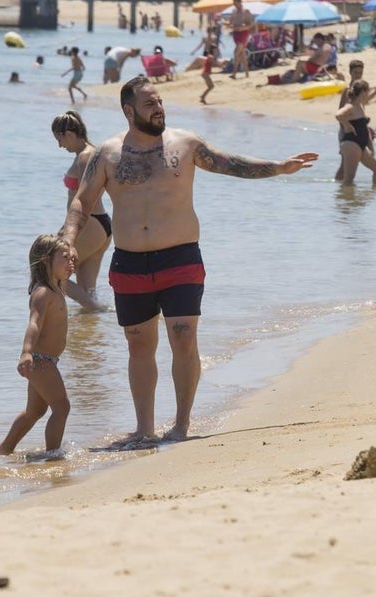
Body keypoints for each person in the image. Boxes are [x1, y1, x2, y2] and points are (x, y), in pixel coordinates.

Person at [59, 77, 319, 444]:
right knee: (139, 345)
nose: (159, 107)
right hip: (130, 263)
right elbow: (82, 202)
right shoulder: (107, 154)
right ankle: (144, 430)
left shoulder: (185, 143)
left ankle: (181, 425)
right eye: (150, 103)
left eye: (160, 101)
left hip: (180, 257)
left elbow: (232, 164)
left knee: (183, 338)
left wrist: (278, 167)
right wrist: (69, 239)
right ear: (129, 110)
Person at [0, 235, 75, 456]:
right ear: (46, 260)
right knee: (62, 407)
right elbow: (34, 324)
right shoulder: (43, 293)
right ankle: (53, 454)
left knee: (35, 411)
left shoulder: (57, 287)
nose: (71, 262)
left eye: (71, 258)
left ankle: (4, 450)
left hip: (47, 360)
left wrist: (68, 250)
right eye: (65, 258)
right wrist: (26, 353)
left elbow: (70, 254)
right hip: (40, 360)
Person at [51, 111, 112, 310]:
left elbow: (86, 197)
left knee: (52, 273)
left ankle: (102, 310)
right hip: (98, 224)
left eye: (59, 139)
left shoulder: (85, 157)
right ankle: (92, 333)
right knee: (87, 291)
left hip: (89, 224)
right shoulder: (90, 153)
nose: (60, 145)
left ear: (69, 133)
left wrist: (68, 229)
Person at [335, 80, 376, 187]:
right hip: (351, 144)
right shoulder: (350, 106)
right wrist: (347, 125)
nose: (368, 94)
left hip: (360, 145)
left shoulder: (360, 106)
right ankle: (345, 202)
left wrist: (371, 146)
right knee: (349, 179)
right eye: (367, 91)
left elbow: (362, 126)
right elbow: (338, 115)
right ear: (362, 92)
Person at [227, 0, 254, 79]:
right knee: (242, 54)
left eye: (235, 3)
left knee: (236, 53)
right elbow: (230, 22)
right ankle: (247, 73)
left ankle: (234, 74)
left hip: (243, 33)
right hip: (236, 33)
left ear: (239, 2)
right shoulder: (234, 11)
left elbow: (250, 25)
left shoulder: (246, 11)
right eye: (233, 3)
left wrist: (242, 27)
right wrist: (227, 24)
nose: (234, 5)